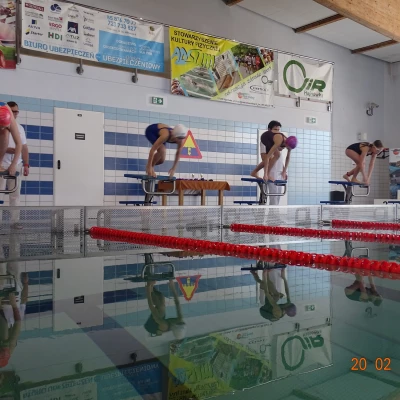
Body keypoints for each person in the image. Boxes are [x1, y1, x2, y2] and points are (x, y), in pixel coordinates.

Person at [0, 102, 29, 228]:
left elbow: (22, 146)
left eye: (16, 111)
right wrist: (5, 150)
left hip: (15, 164)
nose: (15, 113)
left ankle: (14, 221)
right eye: (13, 111)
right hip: (2, 163)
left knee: (15, 195)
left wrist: (24, 164)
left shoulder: (18, 127)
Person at [0, 102, 21, 176]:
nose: (1, 128)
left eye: (3, 126)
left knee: (5, 132)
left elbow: (19, 143)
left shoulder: (10, 118)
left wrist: (13, 164)